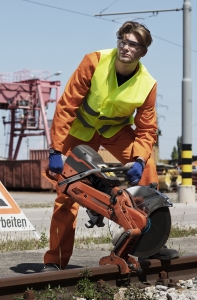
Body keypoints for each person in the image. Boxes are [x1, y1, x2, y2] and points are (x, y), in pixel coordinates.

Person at [41, 21, 178, 272]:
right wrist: (56, 150)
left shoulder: (147, 84)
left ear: (143, 51)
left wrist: (138, 160)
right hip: (80, 131)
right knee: (65, 192)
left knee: (148, 173)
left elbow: (147, 129)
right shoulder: (93, 62)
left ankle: (152, 242)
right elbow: (67, 106)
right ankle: (55, 261)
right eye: (122, 41)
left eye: (133, 44)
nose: (125, 47)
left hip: (116, 131)